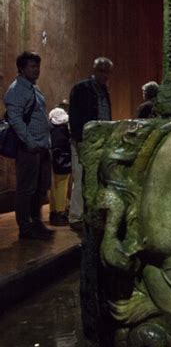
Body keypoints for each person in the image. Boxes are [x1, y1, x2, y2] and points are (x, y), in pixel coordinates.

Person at [3, 51, 53, 240]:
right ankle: (25, 227)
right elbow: (15, 120)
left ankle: (37, 222)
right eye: (32, 66)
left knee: (41, 187)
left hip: (41, 147)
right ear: (22, 69)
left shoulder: (34, 88)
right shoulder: (16, 90)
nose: (36, 70)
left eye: (37, 66)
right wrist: (30, 143)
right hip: (29, 147)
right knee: (26, 189)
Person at [68, 57, 113, 230]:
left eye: (107, 71)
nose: (104, 75)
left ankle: (90, 214)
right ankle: (75, 217)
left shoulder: (103, 91)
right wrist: (79, 140)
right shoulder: (82, 88)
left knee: (95, 178)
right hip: (84, 140)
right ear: (94, 70)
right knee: (80, 177)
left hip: (100, 140)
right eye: (101, 70)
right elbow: (75, 115)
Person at [48, 106, 72, 226]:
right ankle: (60, 213)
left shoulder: (51, 129)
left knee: (54, 187)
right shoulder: (63, 130)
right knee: (62, 185)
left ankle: (53, 212)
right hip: (63, 160)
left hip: (52, 159)